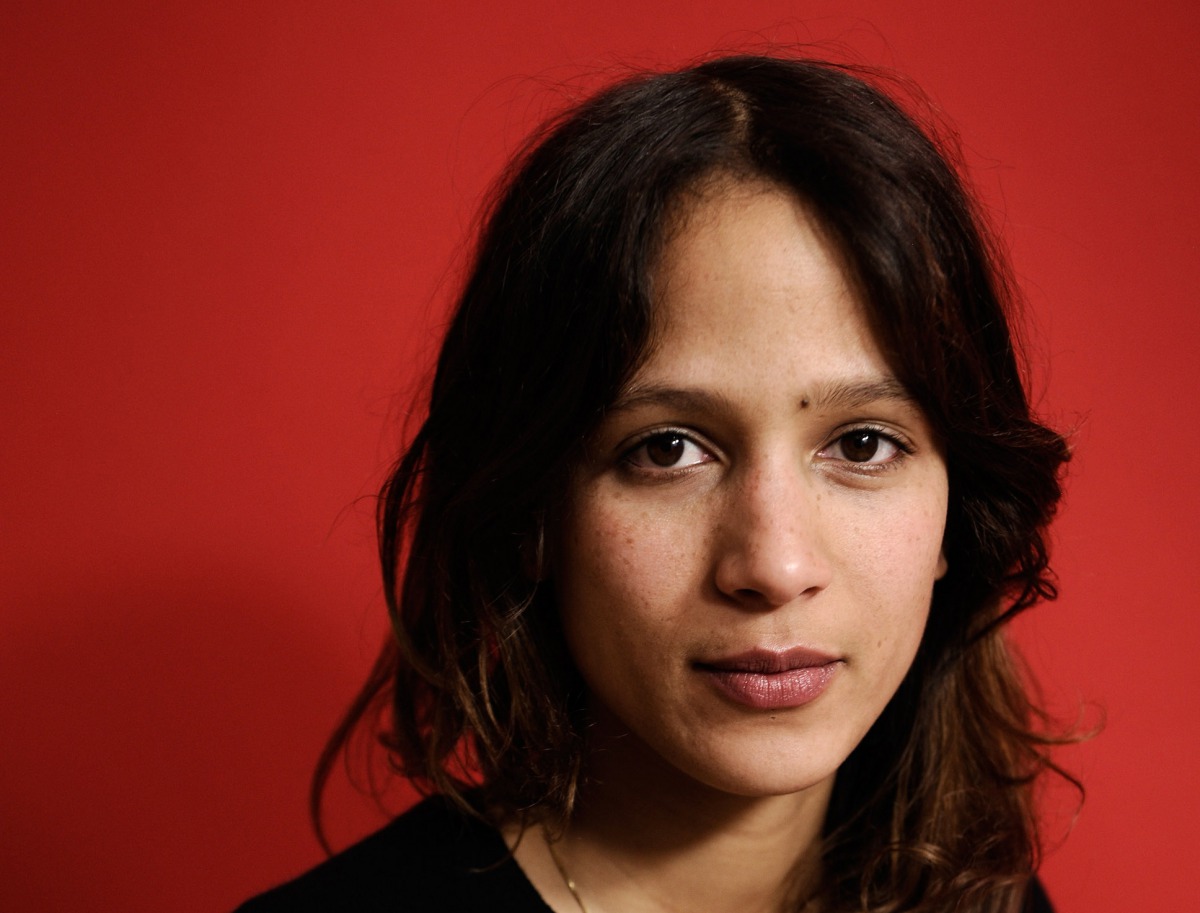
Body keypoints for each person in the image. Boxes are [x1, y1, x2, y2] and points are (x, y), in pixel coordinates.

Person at [238, 54, 1070, 913]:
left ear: (956, 514)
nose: (774, 565)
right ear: (532, 513)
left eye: (862, 443)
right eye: (668, 449)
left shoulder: (989, 902)